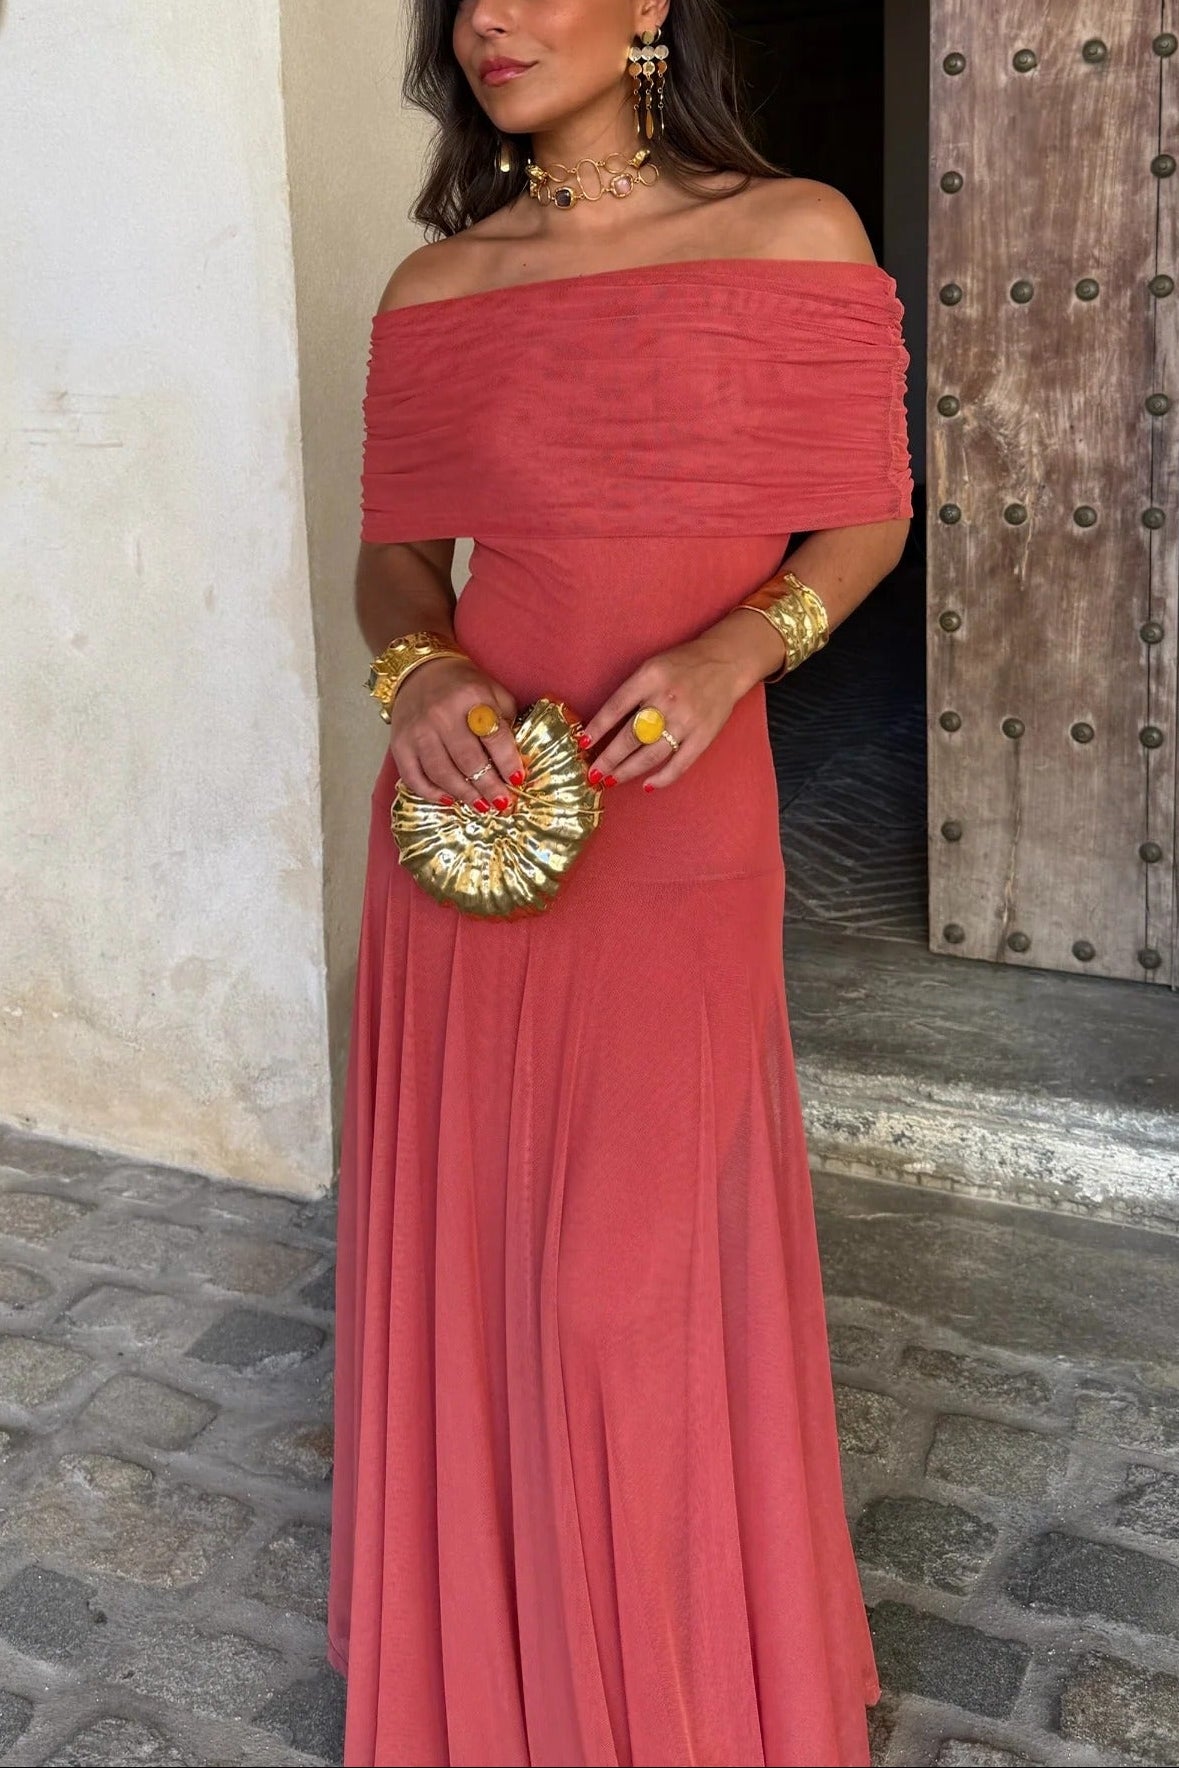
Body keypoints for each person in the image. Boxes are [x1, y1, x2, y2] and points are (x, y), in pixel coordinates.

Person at [327, 2, 914, 1763]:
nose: (487, 22)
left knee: (618, 1293)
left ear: (650, 4)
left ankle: (670, 1698)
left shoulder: (795, 230)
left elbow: (866, 515)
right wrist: (417, 674)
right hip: (479, 823)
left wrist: (742, 650)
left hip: (679, 823)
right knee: (491, 1271)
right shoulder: (439, 288)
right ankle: (500, 1686)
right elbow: (395, 566)